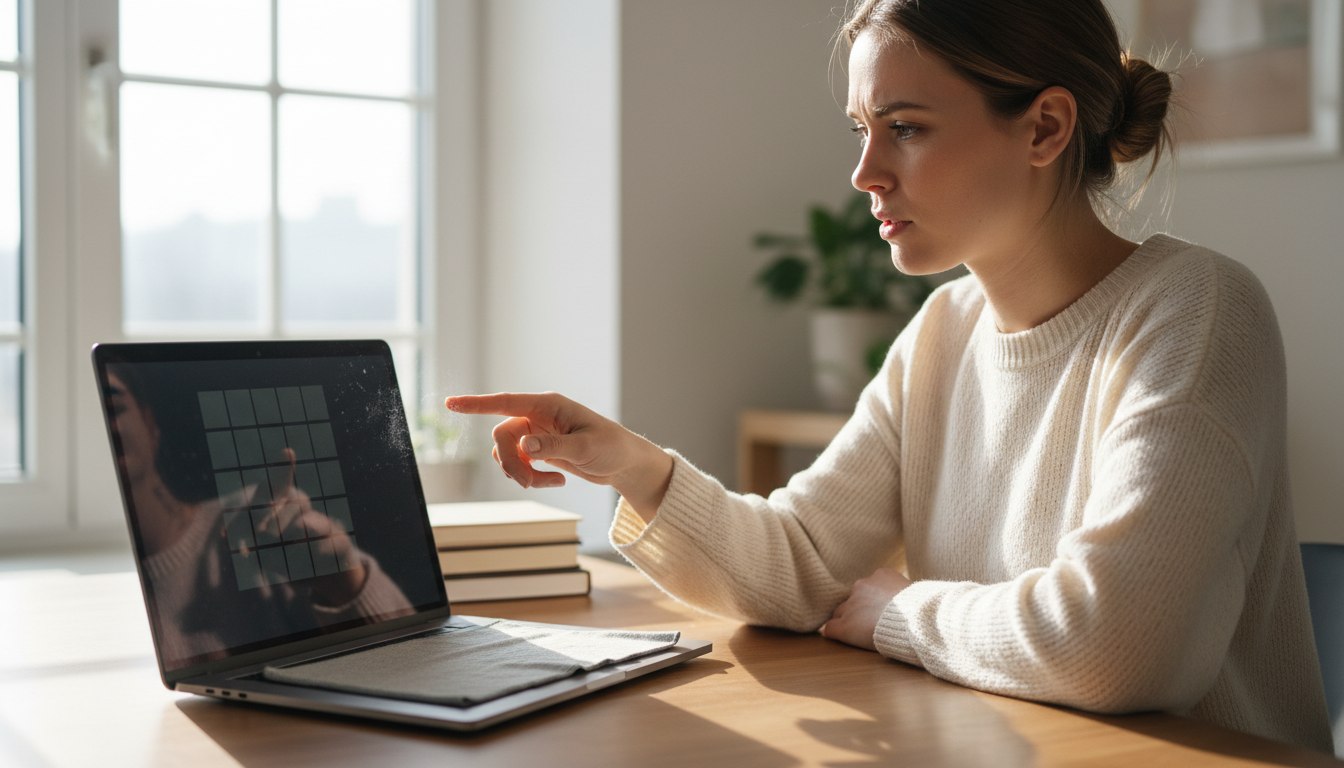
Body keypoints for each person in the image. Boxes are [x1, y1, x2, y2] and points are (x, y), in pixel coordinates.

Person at [446, 0, 1332, 752]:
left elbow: (1119, 646)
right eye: (863, 131)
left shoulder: (1198, 310)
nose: (865, 174)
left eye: (905, 128)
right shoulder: (942, 331)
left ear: (1046, 127)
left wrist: (902, 613)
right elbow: (800, 566)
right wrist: (635, 467)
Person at [105, 366, 411, 665]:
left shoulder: (257, 518)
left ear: (150, 425)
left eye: (116, 408)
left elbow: (411, 653)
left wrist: (345, 580)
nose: (108, 428)